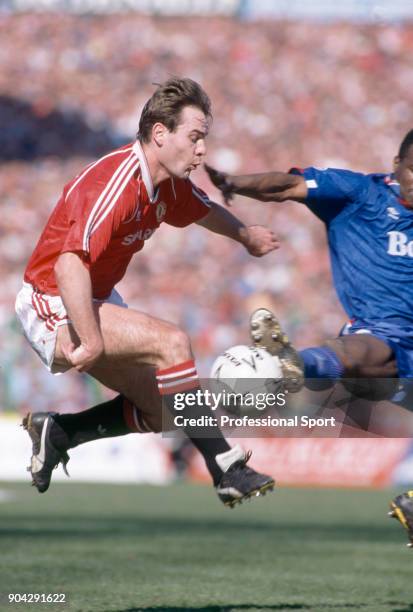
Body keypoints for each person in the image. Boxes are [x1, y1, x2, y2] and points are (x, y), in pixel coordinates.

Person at [16, 77, 279, 508]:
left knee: (163, 413)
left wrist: (245, 235)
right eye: (194, 137)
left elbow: (203, 209)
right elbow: (68, 265)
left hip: (93, 298)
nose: (202, 150)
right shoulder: (116, 181)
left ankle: (61, 432)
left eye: (204, 139)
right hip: (54, 301)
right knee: (171, 342)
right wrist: (91, 336)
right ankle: (227, 468)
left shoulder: (168, 184)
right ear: (160, 133)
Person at [205, 129, 413, 540]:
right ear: (397, 166)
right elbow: (288, 185)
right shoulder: (360, 194)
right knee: (370, 349)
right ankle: (295, 363)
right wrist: (235, 184)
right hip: (380, 336)